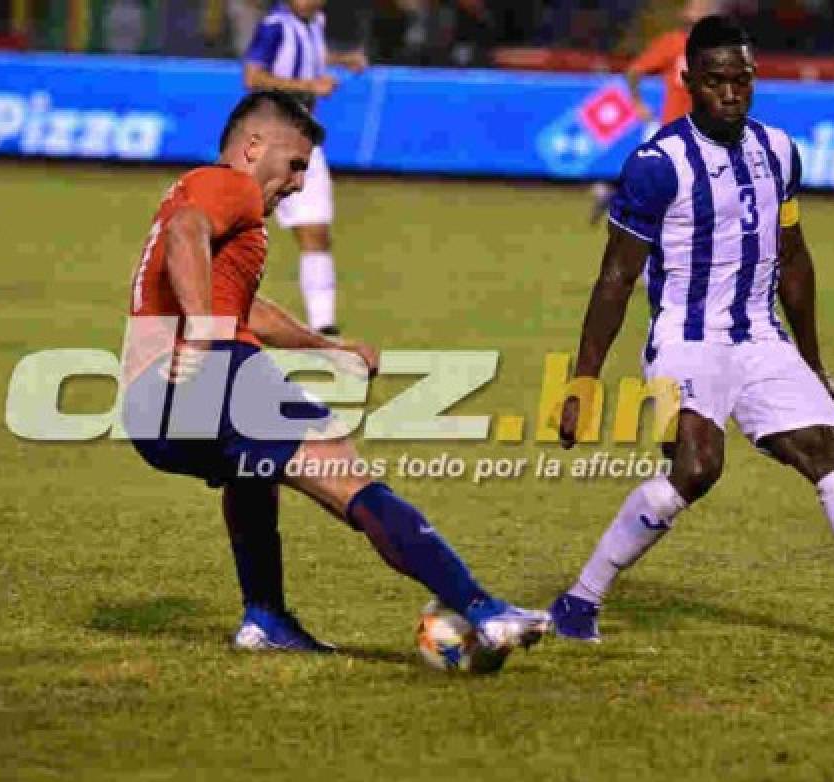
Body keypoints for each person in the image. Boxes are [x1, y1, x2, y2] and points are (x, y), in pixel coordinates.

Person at [551, 16, 834, 650]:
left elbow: (794, 260)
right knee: (696, 468)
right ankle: (580, 601)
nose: (731, 93)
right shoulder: (658, 165)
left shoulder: (778, 150)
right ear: (688, 80)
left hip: (760, 340)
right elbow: (614, 279)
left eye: (742, 80)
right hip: (687, 340)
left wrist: (817, 367)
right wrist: (583, 380)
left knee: (830, 455)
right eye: (716, 81)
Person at [123, 90, 551, 654]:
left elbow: (243, 307)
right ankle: (481, 610)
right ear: (253, 147)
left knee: (250, 473)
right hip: (209, 374)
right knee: (344, 471)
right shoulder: (229, 186)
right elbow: (186, 234)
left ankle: (266, 619)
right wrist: (203, 330)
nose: (299, 183)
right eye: (295, 165)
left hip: (148, 407)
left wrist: (324, 346)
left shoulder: (199, 197)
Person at [243, 0, 369, 336]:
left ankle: (324, 327)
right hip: (269, 142)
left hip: (303, 140)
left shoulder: (315, 22)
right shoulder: (275, 25)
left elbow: (311, 57)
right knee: (236, 230)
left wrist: (343, 61)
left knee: (316, 232)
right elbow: (254, 77)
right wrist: (310, 87)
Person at [589, 0, 716, 225]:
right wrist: (637, 104)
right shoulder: (672, 43)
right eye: (698, 8)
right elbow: (634, 71)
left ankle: (612, 195)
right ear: (688, 15)